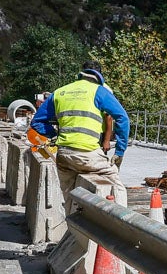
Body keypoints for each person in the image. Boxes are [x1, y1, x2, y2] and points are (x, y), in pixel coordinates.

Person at [30, 61, 130, 205]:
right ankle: (122, 218)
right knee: (116, 184)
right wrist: (119, 151)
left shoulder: (60, 92)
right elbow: (122, 118)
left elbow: (36, 122)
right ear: (99, 76)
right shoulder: (100, 91)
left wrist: (54, 135)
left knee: (69, 198)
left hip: (64, 155)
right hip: (87, 154)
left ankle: (70, 218)